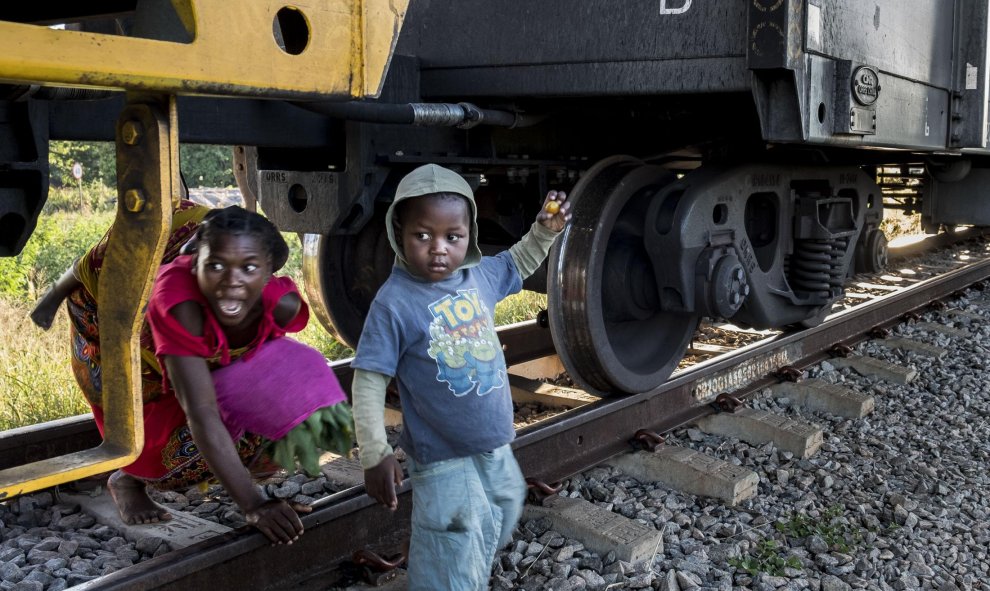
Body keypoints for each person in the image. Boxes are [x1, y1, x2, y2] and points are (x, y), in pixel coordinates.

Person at [32, 201, 352, 545]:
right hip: (107, 320)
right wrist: (254, 504)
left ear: (267, 270)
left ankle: (242, 455)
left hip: (193, 312)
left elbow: (275, 374)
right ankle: (128, 479)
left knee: (270, 418)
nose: (232, 282)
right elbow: (202, 412)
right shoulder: (171, 295)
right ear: (196, 259)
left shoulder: (280, 301)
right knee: (160, 445)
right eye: (216, 265)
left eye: (248, 269)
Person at [350, 164, 572, 589]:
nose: (439, 249)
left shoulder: (478, 275)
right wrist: (374, 452)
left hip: (492, 446)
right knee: (450, 545)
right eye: (423, 235)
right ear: (399, 230)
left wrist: (545, 230)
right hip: (442, 456)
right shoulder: (394, 302)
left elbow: (519, 259)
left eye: (452, 237)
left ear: (468, 232)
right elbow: (369, 379)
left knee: (482, 534)